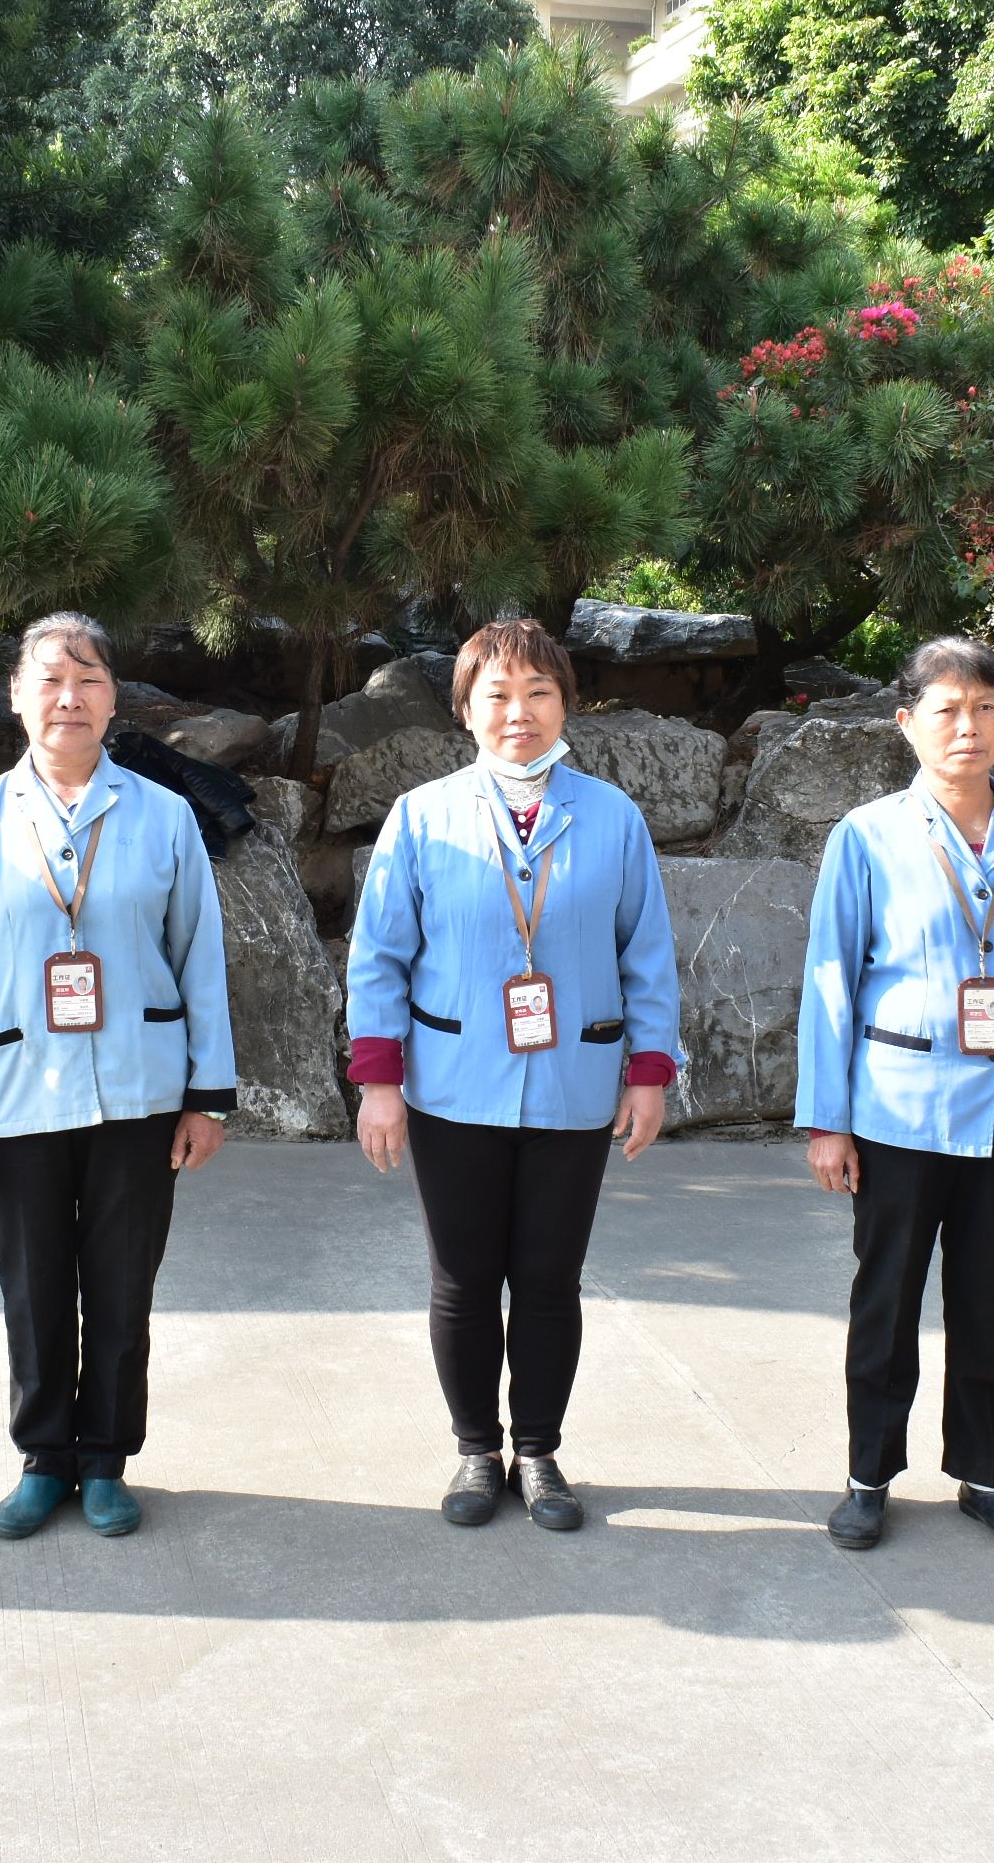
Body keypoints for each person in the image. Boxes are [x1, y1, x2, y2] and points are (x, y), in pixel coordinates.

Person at [346, 617, 683, 1532]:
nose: (518, 712)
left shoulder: (612, 817)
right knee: (462, 1279)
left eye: (539, 692)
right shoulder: (421, 817)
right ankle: (475, 1449)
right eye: (496, 694)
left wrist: (649, 1071)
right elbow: (379, 957)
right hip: (454, 1082)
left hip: (576, 1081)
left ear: (567, 704)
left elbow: (647, 954)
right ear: (466, 710)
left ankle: (537, 1451)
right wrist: (379, 1080)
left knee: (548, 1278)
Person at [0, 613, 236, 1541]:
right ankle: (43, 1457)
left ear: (113, 697)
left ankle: (105, 1462)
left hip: (139, 1091)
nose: (70, 697)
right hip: (15, 1093)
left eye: (89, 678)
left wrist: (208, 1095)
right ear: (16, 696)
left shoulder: (164, 815)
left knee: (123, 1288)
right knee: (34, 1290)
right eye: (50, 680)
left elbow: (199, 957)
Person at [795, 638, 994, 1553]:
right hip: (898, 1111)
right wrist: (827, 1121)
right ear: (907, 723)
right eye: (946, 709)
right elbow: (830, 982)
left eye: (985, 708)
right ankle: (868, 1477)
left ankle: (984, 1474)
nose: (967, 726)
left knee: (986, 1302)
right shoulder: (866, 837)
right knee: (885, 1300)